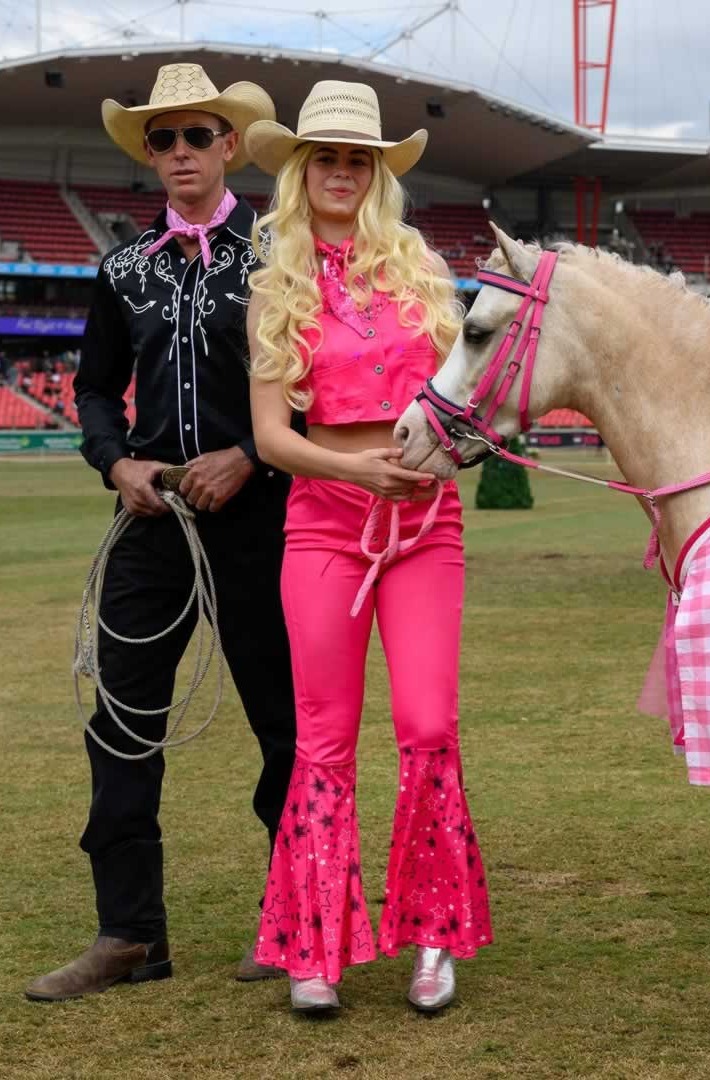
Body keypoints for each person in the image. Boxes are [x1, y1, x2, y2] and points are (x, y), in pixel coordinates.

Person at [26, 64, 298, 1002]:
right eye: (163, 139)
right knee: (122, 720)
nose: (179, 152)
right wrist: (117, 463)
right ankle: (130, 935)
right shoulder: (122, 267)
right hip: (149, 518)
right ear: (150, 153)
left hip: (261, 519)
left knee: (285, 722)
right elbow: (94, 387)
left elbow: (318, 387)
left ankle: (294, 916)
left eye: (197, 136)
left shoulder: (280, 255)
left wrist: (252, 457)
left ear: (230, 145)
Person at [241, 80, 490, 1015]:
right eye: (327, 159)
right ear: (302, 174)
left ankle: (431, 938)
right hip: (324, 528)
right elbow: (271, 437)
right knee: (323, 741)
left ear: (376, 174)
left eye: (359, 160)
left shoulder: (423, 274)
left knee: (428, 726)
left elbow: (462, 403)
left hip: (427, 528)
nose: (342, 173)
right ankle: (314, 947)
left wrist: (448, 452)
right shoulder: (278, 285)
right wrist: (356, 476)